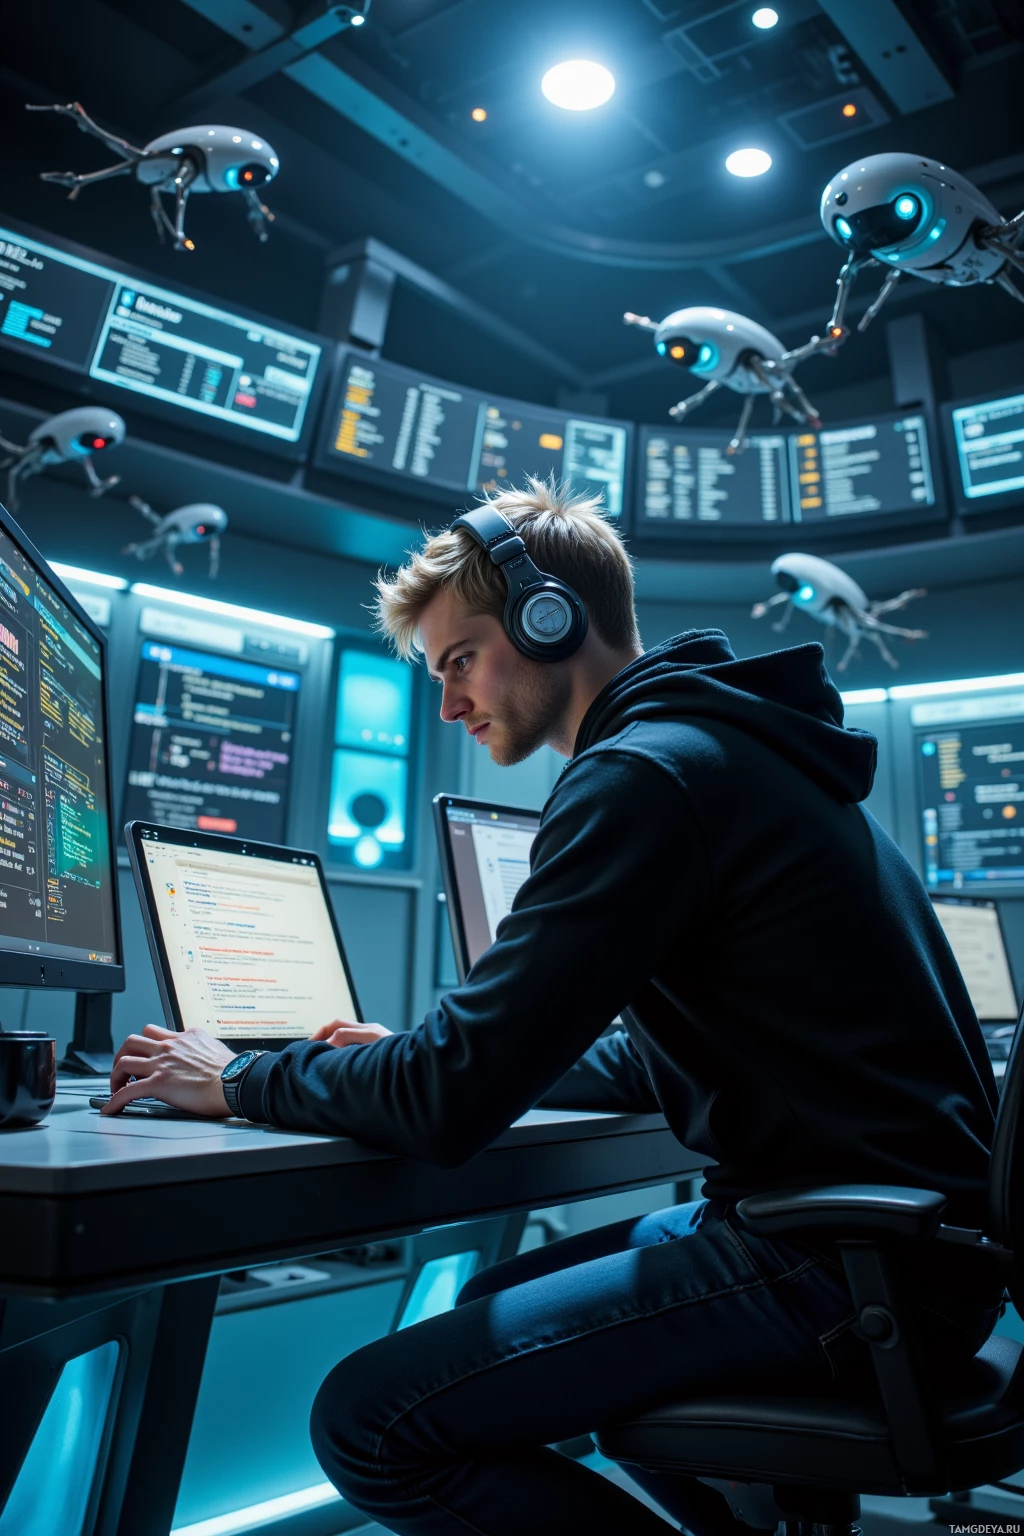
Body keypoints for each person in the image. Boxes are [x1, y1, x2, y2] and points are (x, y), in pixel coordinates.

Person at [106, 479, 1003, 1536]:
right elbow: (645, 1060)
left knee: (370, 1421)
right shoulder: (736, 752)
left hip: (838, 1267)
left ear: (549, 621)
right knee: (486, 1312)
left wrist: (242, 1078)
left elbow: (450, 1104)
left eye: (457, 660)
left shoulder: (642, 778)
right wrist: (427, 1051)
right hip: (893, 1250)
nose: (447, 703)